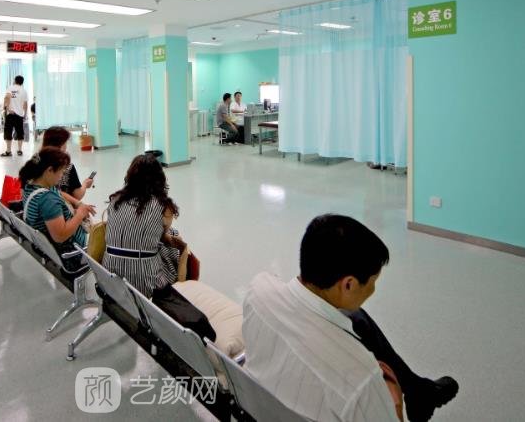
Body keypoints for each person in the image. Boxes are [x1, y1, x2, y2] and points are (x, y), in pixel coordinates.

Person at [242, 214, 458, 422]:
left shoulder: (258, 290)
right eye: (373, 282)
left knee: (355, 316)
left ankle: (417, 390)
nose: (373, 289)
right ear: (349, 284)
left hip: (255, 407)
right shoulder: (361, 380)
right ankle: (418, 391)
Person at [103, 153, 216, 340]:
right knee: (176, 243)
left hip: (110, 270)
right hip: (145, 279)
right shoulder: (163, 206)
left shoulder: (116, 200)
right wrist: (176, 241)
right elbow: (161, 234)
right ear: (159, 179)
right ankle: (183, 284)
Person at [19, 147, 95, 269]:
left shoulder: (33, 184)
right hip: (70, 253)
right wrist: (80, 214)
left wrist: (77, 207)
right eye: (61, 172)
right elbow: (60, 236)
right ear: (49, 170)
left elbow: (58, 194)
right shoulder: (47, 200)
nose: (62, 176)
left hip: (47, 244)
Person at [40, 126, 93, 204]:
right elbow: (77, 195)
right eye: (65, 143)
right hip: (64, 207)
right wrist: (85, 184)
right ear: (61, 145)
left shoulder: (36, 163)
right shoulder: (67, 167)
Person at [1, 75, 29, 157]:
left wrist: (7, 108)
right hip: (20, 115)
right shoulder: (24, 91)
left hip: (11, 114)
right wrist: (25, 114)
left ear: (15, 80)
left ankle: (8, 151)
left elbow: (7, 97)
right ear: (22, 82)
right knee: (20, 132)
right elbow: (25, 104)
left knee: (8, 132)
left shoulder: (10, 88)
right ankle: (19, 150)